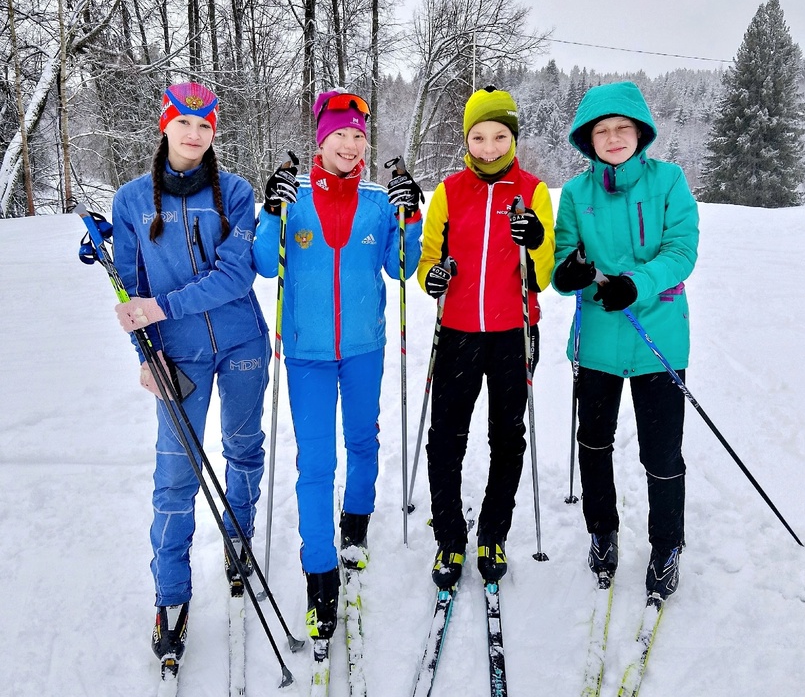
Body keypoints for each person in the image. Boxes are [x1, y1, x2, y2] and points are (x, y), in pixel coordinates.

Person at [253, 90, 423, 639]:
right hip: (306, 355)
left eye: (357, 136)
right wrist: (270, 210)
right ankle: (319, 573)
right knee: (316, 463)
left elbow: (403, 267)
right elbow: (261, 262)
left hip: (365, 350)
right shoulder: (295, 198)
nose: (350, 145)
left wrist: (411, 214)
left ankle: (357, 524)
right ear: (320, 140)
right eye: (339, 135)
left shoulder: (377, 202)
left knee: (364, 443)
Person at [112, 82, 269, 663]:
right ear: (166, 124)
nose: (195, 134)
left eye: (205, 125)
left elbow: (237, 276)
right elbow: (131, 292)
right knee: (175, 476)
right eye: (185, 122)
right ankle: (171, 594)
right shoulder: (131, 201)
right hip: (176, 358)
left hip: (242, 344)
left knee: (243, 447)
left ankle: (238, 538)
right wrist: (145, 354)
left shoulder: (236, 192)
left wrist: (164, 306)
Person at [552, 80, 699, 601]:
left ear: (640, 132)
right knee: (593, 444)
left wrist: (637, 284)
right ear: (587, 139)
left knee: (662, 454)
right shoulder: (575, 193)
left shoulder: (669, 181)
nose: (613, 138)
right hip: (596, 342)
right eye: (602, 130)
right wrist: (569, 273)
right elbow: (562, 258)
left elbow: (682, 250)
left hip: (659, 338)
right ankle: (602, 529)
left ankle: (666, 547)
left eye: (622, 128)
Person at [417, 86, 555, 588]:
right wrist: (432, 277)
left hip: (514, 333)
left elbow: (542, 273)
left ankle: (493, 532)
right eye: (479, 137)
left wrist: (536, 241)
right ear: (466, 139)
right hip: (456, 333)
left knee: (507, 436)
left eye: (500, 136)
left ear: (513, 137)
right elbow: (429, 259)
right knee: (446, 438)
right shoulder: (450, 192)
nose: (490, 147)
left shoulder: (533, 191)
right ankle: (450, 538)